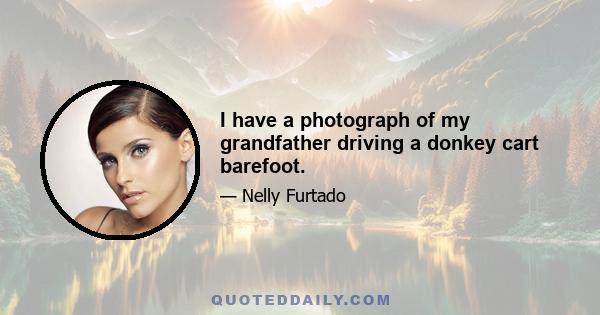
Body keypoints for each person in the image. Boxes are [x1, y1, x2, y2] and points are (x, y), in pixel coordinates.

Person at [75, 85, 195, 235]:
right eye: (109, 160)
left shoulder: (210, 239)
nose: (121, 178)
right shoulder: (92, 224)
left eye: (140, 150)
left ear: (185, 146)